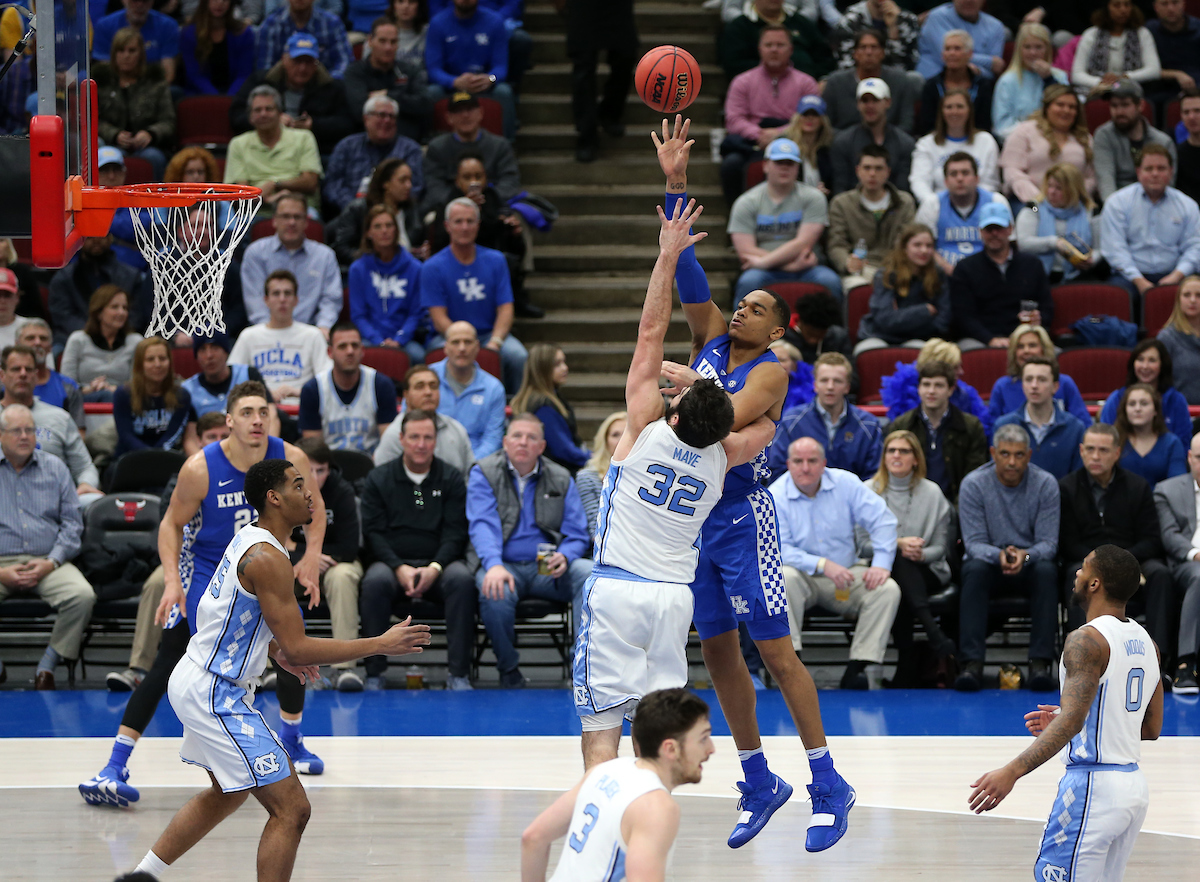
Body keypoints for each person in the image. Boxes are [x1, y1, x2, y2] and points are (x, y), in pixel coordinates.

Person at [655, 116, 853, 853]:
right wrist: (676, 182)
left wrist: (679, 381)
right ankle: (757, 778)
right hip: (694, 523)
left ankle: (827, 781)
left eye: (758, 305)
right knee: (715, 654)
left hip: (743, 518)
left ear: (777, 329)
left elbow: (716, 420)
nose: (741, 305)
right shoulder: (710, 335)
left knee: (774, 651)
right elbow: (685, 271)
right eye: (742, 300)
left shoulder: (773, 367)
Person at [115, 458, 429, 882]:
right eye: (299, 485)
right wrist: (380, 644)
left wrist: (275, 648)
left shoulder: (253, 539)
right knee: (292, 808)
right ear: (274, 498)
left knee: (229, 792)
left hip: (202, 679)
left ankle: (141, 876)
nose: (310, 493)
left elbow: (239, 615)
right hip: (214, 692)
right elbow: (301, 650)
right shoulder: (267, 557)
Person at [574, 198, 777, 766]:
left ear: (678, 409)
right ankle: (652, 827)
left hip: (616, 589)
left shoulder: (640, 428)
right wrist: (745, 385)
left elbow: (650, 331)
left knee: (600, 731)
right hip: (671, 602)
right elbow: (763, 423)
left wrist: (667, 257)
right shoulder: (724, 457)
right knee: (657, 733)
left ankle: (608, 841)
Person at [78, 382, 331, 809]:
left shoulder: (291, 457)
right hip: (211, 577)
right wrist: (173, 581)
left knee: (294, 648)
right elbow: (170, 524)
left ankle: (292, 739)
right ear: (229, 420)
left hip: (266, 572)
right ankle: (114, 764)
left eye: (263, 412)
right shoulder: (200, 468)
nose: (256, 420)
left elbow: (316, 508)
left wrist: (311, 557)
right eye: (247, 412)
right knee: (176, 657)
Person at [968, 546, 1162, 882]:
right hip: (1133, 790)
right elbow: (1149, 727)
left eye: (1083, 568)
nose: (1077, 573)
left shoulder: (1085, 640)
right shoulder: (1147, 642)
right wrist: (1070, 719)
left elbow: (1073, 721)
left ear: (1095, 584)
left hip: (1093, 787)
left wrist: (1011, 772)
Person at [522, 689, 714, 882]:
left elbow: (533, 838)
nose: (711, 749)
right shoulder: (656, 807)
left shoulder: (602, 772)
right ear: (670, 748)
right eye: (703, 739)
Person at [105, 412, 233, 694]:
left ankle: (265, 668)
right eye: (212, 437)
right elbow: (170, 526)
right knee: (155, 584)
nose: (219, 442)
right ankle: (139, 667)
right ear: (198, 441)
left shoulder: (245, 476)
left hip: (235, 561)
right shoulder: (187, 475)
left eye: (224, 436)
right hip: (189, 559)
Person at [468, 413, 592, 687]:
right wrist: (493, 565)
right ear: (505, 442)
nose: (523, 442)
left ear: (542, 446)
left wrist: (567, 554)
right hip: (503, 563)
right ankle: (509, 669)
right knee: (494, 590)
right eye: (517, 436)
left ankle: (581, 668)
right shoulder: (483, 472)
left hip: (548, 567)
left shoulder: (560, 477)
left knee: (588, 574)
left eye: (531, 437)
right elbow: (482, 525)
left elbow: (577, 531)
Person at [771, 436, 902, 690]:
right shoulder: (776, 495)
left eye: (812, 461)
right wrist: (822, 564)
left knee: (888, 590)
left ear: (824, 463)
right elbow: (779, 550)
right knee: (783, 577)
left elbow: (883, 521)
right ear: (788, 464)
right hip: (801, 578)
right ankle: (791, 664)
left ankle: (858, 668)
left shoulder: (846, 483)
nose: (805, 468)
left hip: (846, 576)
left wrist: (882, 564)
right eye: (798, 461)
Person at [359, 408, 475, 689]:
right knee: (373, 582)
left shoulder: (451, 479)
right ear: (401, 439)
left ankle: (459, 674)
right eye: (414, 437)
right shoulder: (379, 478)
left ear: (436, 440)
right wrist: (398, 567)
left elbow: (456, 532)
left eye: (427, 437)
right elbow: (374, 532)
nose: (421, 444)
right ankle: (375, 673)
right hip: (391, 565)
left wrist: (435, 568)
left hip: (440, 565)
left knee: (462, 580)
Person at [955, 422, 1061, 691]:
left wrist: (1024, 556)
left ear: (1029, 455)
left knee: (1047, 571)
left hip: (1030, 562)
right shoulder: (974, 484)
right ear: (993, 453)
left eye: (1018, 455)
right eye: (1005, 454)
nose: (1012, 462)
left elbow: (1048, 544)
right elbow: (973, 544)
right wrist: (998, 555)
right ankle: (971, 665)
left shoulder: (1046, 484)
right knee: (973, 569)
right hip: (989, 564)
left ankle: (1040, 664)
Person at [1060, 423, 1174, 671]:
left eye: (1103, 450)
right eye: (1090, 449)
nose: (1096, 456)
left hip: (1133, 559)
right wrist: (1099, 566)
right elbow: (1068, 544)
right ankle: (1082, 662)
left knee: (1161, 575)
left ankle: (1159, 663)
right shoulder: (1066, 488)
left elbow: (1152, 539)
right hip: (1085, 561)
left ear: (1116, 453)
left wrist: (1121, 565)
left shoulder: (1138, 486)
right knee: (1073, 574)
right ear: (1081, 451)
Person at [0, 403, 94, 690]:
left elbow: (72, 525)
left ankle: (48, 665)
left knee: (82, 595)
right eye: (17, 431)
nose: (25, 436)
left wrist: (51, 563)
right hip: (2, 564)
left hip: (48, 561)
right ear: (1, 435)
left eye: (30, 430)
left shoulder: (56, 468)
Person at [868, 429, 957, 687]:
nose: (897, 456)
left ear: (916, 458)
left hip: (928, 569)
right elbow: (860, 546)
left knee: (901, 565)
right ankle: (933, 634)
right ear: (884, 457)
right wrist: (897, 544)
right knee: (896, 564)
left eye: (904, 451)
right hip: (883, 572)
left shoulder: (932, 492)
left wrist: (920, 553)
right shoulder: (867, 491)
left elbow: (941, 548)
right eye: (891, 450)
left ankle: (906, 664)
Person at [420, 198, 526, 393]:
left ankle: (515, 409)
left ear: (478, 225)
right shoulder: (432, 267)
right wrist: (463, 342)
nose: (464, 227)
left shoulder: (496, 260)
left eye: (470, 221)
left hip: (489, 334)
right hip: (448, 337)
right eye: (458, 222)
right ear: (447, 226)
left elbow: (505, 308)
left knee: (518, 356)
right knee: (435, 354)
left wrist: (495, 341)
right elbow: (438, 317)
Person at [288, 436, 364, 691]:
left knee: (342, 577)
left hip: (334, 565)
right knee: (271, 574)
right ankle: (271, 669)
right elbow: (274, 542)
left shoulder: (342, 491)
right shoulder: (282, 492)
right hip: (295, 565)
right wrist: (303, 557)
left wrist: (311, 555)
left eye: (321, 470)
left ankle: (345, 669)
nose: (315, 477)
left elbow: (349, 549)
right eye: (308, 471)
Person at [727, 138, 842, 304]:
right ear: (765, 165)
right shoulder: (746, 202)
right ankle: (739, 330)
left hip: (807, 268)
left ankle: (835, 330)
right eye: (779, 162)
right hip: (775, 268)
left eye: (790, 163)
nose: (785, 167)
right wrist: (791, 267)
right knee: (748, 282)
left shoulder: (814, 197)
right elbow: (746, 251)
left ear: (798, 167)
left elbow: (803, 243)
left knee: (831, 282)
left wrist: (764, 262)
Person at [719, 24, 820, 207]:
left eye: (780, 45)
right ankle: (737, 219)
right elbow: (733, 119)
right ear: (759, 49)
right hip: (752, 144)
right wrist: (759, 135)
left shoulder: (806, 83)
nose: (774, 49)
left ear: (791, 49)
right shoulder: (742, 81)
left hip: (794, 142)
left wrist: (779, 134)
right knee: (731, 165)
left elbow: (812, 118)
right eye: (769, 45)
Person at [425, 154, 530, 316]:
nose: (474, 182)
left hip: (490, 263)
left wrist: (514, 234)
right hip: (455, 264)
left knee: (507, 261)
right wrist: (466, 210)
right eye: (467, 177)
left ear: (486, 179)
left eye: (478, 176)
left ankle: (517, 303)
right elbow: (439, 244)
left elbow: (512, 247)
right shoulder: (447, 205)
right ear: (457, 181)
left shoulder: (493, 200)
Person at [0, 347, 103, 506]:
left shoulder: (59, 417)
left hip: (53, 499)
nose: (22, 374)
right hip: (4, 498)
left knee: (94, 501)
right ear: (2, 375)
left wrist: (86, 483)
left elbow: (84, 467)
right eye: (15, 369)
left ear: (36, 376)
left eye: (28, 369)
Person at [1101, 144, 1200, 305]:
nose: (1155, 174)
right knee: (1117, 295)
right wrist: (1139, 280)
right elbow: (1115, 250)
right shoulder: (1117, 203)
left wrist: (1176, 276)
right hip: (1129, 277)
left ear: (1171, 171)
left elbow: (1195, 247)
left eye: (1161, 168)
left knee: (1192, 293)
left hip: (1175, 274)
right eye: (1149, 169)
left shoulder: (1188, 205)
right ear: (1138, 172)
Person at [949, 200, 1054, 350]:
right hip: (981, 340)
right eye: (989, 229)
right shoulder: (965, 268)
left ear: (1010, 229)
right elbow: (963, 316)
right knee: (969, 351)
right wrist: (990, 339)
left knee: (1056, 354)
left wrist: (1039, 318)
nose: (994, 234)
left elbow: (1047, 307)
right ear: (980, 232)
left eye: (999, 228)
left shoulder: (1033, 265)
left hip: (1027, 337)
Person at [231, 32, 355, 157]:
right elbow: (237, 116)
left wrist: (314, 125)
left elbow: (347, 124)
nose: (302, 68)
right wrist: (269, 121)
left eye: (309, 62)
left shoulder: (332, 87)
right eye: (297, 61)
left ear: (317, 63)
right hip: (263, 151)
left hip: (315, 152)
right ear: (284, 60)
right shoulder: (261, 81)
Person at [768, 352, 884, 481]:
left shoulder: (869, 425)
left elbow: (875, 476)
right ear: (815, 385)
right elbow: (777, 470)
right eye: (824, 380)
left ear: (847, 387)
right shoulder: (791, 421)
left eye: (837, 381)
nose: (830, 387)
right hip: (801, 497)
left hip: (852, 498)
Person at [885, 358, 988, 503]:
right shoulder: (902, 425)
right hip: (911, 504)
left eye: (938, 385)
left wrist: (956, 512)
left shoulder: (971, 427)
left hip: (956, 507)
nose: (931, 391)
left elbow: (975, 478)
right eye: (926, 385)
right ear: (918, 389)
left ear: (951, 390)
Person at [241, 194, 342, 335]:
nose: (292, 222)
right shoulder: (256, 253)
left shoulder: (325, 256)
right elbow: (255, 301)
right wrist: (269, 331)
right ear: (274, 220)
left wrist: (322, 328)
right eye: (285, 216)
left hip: (312, 333)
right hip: (268, 332)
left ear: (306, 221)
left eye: (297, 217)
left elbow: (331, 299)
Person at [229, 269, 333, 401]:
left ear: (296, 300)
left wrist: (299, 392)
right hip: (259, 412)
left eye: (287, 293)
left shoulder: (313, 335)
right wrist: (264, 394)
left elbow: (328, 382)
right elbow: (232, 381)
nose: (282, 299)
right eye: (276, 293)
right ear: (266, 300)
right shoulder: (248, 336)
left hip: (301, 410)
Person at [298, 321, 399, 454]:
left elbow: (388, 445)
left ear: (362, 350)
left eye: (355, 345)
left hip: (371, 466)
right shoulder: (313, 390)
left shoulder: (381, 385)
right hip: (330, 468)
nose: (350, 351)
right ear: (330, 352)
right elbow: (314, 451)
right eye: (342, 346)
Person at [826, 145, 916, 290]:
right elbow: (836, 244)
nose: (872, 174)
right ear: (857, 171)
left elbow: (906, 241)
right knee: (854, 288)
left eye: (879, 168)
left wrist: (892, 267)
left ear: (888, 172)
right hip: (858, 271)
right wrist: (847, 261)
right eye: (867, 168)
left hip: (895, 269)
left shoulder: (904, 202)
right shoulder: (841, 203)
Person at [424, 0, 517, 140]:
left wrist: (490, 79)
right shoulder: (438, 23)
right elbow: (433, 70)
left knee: (504, 92)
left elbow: (501, 69)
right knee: (431, 92)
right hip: (452, 85)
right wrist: (453, 81)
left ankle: (508, 146)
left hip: (483, 84)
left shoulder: (495, 22)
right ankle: (428, 143)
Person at [224, 86, 323, 215]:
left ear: (280, 113)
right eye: (257, 110)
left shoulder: (303, 137)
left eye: (269, 109)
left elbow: (310, 183)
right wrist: (266, 198)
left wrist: (275, 184)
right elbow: (241, 195)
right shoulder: (238, 144)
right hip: (257, 212)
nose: (263, 114)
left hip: (300, 210)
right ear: (250, 117)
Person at [855, 223, 951, 355]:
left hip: (920, 338)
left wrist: (901, 317)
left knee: (921, 351)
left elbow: (943, 322)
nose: (924, 250)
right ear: (904, 248)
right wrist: (924, 311)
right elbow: (885, 320)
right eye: (917, 245)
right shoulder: (886, 274)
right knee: (869, 351)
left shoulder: (938, 274)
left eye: (929, 246)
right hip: (879, 335)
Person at [94, 29, 175, 182]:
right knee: (107, 155)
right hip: (112, 143)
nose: (126, 55)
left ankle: (156, 204)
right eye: (121, 50)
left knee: (154, 157)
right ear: (114, 54)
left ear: (141, 54)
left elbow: (168, 121)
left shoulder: (156, 82)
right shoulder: (101, 82)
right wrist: (114, 134)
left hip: (146, 146)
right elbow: (91, 121)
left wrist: (150, 133)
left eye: (132, 50)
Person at [347, 205, 425, 362]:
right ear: (368, 233)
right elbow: (359, 315)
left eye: (389, 225)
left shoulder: (415, 268)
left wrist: (399, 340)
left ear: (396, 230)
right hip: (370, 339)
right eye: (378, 226)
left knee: (419, 357)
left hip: (404, 340)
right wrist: (378, 341)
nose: (384, 231)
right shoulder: (358, 269)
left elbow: (415, 314)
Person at [322, 94, 424, 213]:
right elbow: (332, 185)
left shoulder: (410, 149)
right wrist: (353, 206)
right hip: (351, 213)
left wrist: (386, 209)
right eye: (381, 115)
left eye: (391, 116)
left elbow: (415, 187)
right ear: (366, 119)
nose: (387, 120)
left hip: (396, 214)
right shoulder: (346, 146)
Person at [561, 0, 636, 162]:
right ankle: (587, 136)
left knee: (626, 55)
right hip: (583, 7)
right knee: (583, 70)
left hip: (617, 7)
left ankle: (610, 113)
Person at [182, 332, 280, 455]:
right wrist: (203, 466)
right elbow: (190, 439)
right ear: (196, 356)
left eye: (215, 348)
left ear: (226, 352)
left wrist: (266, 454)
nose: (209, 355)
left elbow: (271, 415)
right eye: (202, 349)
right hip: (210, 455)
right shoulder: (188, 389)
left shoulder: (249, 374)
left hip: (251, 449)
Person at [1153, 433, 1200, 692]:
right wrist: (1195, 553)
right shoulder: (1167, 490)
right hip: (1186, 563)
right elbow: (1169, 536)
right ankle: (1186, 663)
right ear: (1190, 458)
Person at [48, 234, 148, 351]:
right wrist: (94, 332)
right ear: (79, 241)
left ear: (110, 238)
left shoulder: (131, 276)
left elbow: (137, 314)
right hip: (72, 337)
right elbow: (63, 315)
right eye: (89, 237)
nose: (96, 241)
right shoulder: (63, 278)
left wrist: (115, 331)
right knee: (55, 353)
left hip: (122, 337)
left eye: (101, 236)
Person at [1000, 84, 1096, 205]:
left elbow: (1091, 178)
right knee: (1029, 216)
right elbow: (1011, 170)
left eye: (1072, 107)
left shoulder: (1085, 139)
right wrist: (1038, 199)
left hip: (1072, 205)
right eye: (1060, 105)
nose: (1066, 110)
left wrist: (1072, 198)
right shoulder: (1024, 131)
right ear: (1047, 107)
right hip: (1029, 202)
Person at [915, 151, 1008, 274]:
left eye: (965, 173)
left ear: (977, 179)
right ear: (946, 181)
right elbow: (921, 247)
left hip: (987, 274)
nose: (960, 179)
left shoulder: (996, 201)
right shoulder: (932, 204)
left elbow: (1008, 244)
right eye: (953, 174)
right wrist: (948, 269)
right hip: (942, 275)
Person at [994, 356, 1087, 480]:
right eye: (1028, 379)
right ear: (1022, 385)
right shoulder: (1003, 425)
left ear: (1055, 387)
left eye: (1042, 380)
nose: (1034, 385)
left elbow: (1079, 480)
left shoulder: (1075, 429)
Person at [342, 18, 432, 144]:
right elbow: (358, 111)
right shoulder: (355, 72)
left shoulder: (410, 70)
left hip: (408, 141)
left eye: (393, 42)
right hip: (366, 143)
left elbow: (425, 105)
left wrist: (387, 95)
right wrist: (403, 104)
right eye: (382, 41)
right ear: (370, 41)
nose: (388, 47)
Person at [374, 363, 474, 472]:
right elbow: (382, 481)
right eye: (420, 387)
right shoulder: (394, 435)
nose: (428, 392)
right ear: (406, 395)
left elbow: (471, 475)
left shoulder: (456, 429)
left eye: (433, 386)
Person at [1014, 163, 1102, 286]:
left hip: (1079, 275)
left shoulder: (1090, 211)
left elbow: (1101, 248)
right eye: (1049, 186)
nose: (1051, 192)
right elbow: (1023, 243)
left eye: (1059, 188)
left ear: (1073, 190)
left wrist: (1091, 260)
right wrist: (1055, 243)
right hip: (1040, 275)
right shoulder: (1034, 208)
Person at [426, 321, 506, 457]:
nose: (462, 348)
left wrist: (471, 466)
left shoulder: (493, 388)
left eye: (467, 342)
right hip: (430, 460)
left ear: (477, 347)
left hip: (476, 464)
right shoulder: (426, 379)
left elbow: (493, 440)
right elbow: (409, 422)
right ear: (445, 347)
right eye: (455, 342)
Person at [328, 158, 426, 266]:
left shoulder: (412, 209)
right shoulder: (358, 209)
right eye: (402, 181)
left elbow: (417, 245)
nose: (409, 186)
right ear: (385, 183)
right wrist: (370, 263)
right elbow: (342, 248)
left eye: (410, 180)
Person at [988, 324, 1092, 424]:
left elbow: (1083, 424)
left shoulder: (1064, 383)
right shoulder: (1002, 386)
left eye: (1032, 345)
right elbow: (993, 427)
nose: (1026, 351)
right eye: (1020, 346)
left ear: (1044, 349)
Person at [911, 89, 1000, 205]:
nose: (954, 112)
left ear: (969, 111)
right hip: (939, 206)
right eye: (949, 107)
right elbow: (919, 182)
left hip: (979, 206)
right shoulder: (926, 144)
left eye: (960, 106)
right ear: (941, 111)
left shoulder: (986, 141)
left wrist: (975, 205)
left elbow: (990, 184)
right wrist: (934, 205)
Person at [509, 344, 588, 473]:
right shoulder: (543, 405)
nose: (565, 368)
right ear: (543, 370)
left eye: (564, 362)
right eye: (557, 365)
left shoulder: (552, 397)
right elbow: (563, 449)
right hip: (558, 472)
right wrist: (591, 459)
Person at [1099, 339, 1192, 448]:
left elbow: (1184, 445)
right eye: (1140, 359)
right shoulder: (1117, 398)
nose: (1145, 366)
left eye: (1152, 360)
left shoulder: (1176, 400)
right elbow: (1104, 441)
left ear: (1162, 364)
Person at [1095, 79, 1176, 203]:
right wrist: (1116, 211)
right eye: (1114, 106)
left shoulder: (1163, 142)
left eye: (1125, 105)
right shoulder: (1103, 135)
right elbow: (1105, 182)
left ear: (1141, 106)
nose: (1119, 112)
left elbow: (1167, 186)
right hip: (1117, 208)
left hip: (1155, 206)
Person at [830, 78, 915, 197]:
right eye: (864, 101)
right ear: (858, 104)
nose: (870, 106)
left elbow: (903, 190)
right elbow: (841, 187)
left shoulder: (905, 143)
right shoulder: (842, 142)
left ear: (888, 102)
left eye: (875, 100)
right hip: (853, 209)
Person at [111, 337, 192, 459]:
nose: (157, 364)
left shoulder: (181, 395)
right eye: (150, 359)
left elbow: (172, 436)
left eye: (162, 358)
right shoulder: (123, 394)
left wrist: (156, 457)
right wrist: (148, 456)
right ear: (139, 364)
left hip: (166, 458)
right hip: (129, 459)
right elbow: (125, 435)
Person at [821, 30, 915, 134]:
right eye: (863, 47)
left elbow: (906, 123)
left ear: (883, 53)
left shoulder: (900, 80)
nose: (868, 52)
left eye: (874, 47)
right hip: (845, 145)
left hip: (889, 144)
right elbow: (826, 125)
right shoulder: (836, 82)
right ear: (855, 54)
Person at [61, 285, 144, 403]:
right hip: (84, 399)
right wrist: (90, 389)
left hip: (123, 399)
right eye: (114, 307)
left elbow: (138, 385)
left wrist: (114, 389)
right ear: (99, 312)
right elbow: (67, 385)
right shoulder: (78, 340)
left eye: (125, 308)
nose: (121, 312)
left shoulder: (135, 341)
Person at [718, 0, 834, 82]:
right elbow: (734, 65)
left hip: (808, 88)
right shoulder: (739, 27)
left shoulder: (801, 22)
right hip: (759, 89)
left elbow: (825, 57)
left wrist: (822, 79)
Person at [993, 22, 1069, 142]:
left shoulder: (1059, 76)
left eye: (1038, 47)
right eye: (1027, 47)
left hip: (1056, 140)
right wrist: (1035, 138)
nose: (1033, 53)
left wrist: (1049, 79)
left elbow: (1066, 112)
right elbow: (1002, 126)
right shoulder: (1007, 81)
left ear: (1047, 49)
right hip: (1020, 143)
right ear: (1019, 50)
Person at [1072, 0, 1161, 97]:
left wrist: (1124, 78)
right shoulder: (1091, 34)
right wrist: (1101, 82)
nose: (1123, 10)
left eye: (1127, 5)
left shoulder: (1142, 33)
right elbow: (1076, 74)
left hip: (1132, 92)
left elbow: (1154, 70)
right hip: (1096, 91)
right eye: (1116, 5)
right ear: (1106, 9)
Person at [916, 30, 995, 136]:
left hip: (976, 140)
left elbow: (985, 124)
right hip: (938, 141)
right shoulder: (932, 86)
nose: (951, 53)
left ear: (969, 54)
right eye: (947, 49)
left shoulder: (983, 85)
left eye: (957, 48)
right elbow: (926, 125)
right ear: (942, 55)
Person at [1113, 383, 1187, 489]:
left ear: (1155, 410)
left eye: (1144, 403)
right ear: (1125, 410)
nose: (1137, 409)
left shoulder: (1172, 443)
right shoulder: (1114, 441)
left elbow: (1178, 486)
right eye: (1132, 404)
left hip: (1161, 503)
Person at [14, 320, 85, 429]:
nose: (38, 342)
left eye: (43, 338)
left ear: (50, 347)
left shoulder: (69, 387)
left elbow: (78, 433)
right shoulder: (4, 386)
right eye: (30, 338)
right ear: (17, 345)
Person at [256, 0, 353, 76]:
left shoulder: (332, 23)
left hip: (324, 89)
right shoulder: (271, 25)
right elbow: (265, 67)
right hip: (281, 87)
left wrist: (330, 83)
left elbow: (344, 62)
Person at [93, 0, 181, 83]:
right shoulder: (104, 26)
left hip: (152, 86)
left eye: (144, 1)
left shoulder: (168, 26)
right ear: (124, 1)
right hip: (116, 87)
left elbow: (168, 75)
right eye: (134, 0)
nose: (139, 5)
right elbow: (104, 72)